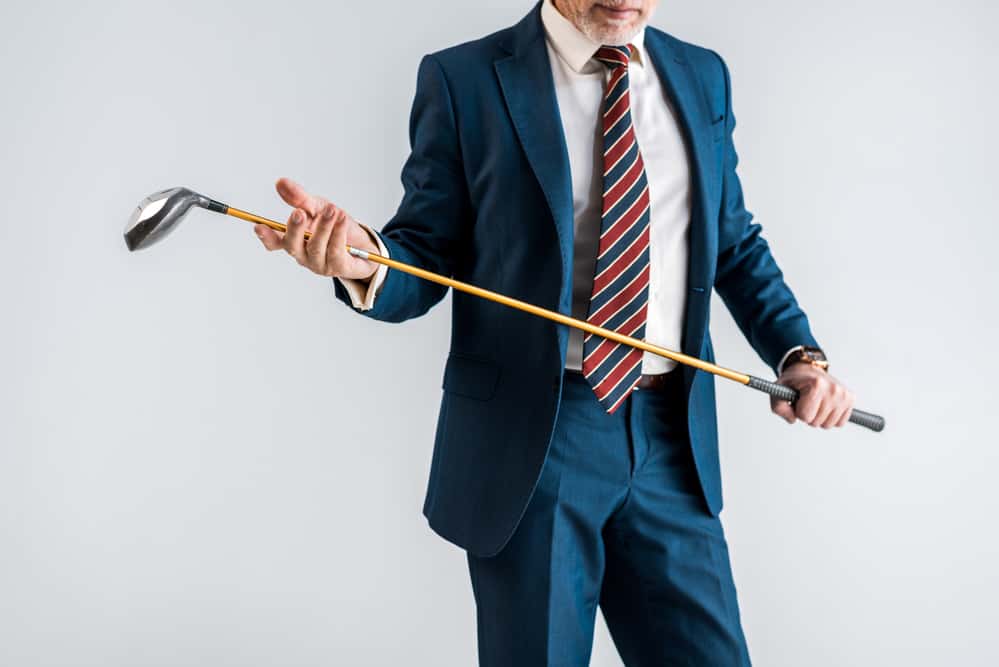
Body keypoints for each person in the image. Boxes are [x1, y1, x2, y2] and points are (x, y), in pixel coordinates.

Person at [254, 1, 856, 664]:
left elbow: (731, 241)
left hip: (671, 436)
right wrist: (359, 262)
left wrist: (798, 355)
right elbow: (424, 253)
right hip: (537, 440)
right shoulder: (465, 80)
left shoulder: (700, 75)